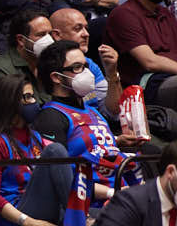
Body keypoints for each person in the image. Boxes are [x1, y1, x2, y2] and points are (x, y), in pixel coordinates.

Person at [34, 40, 134, 203]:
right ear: (56, 77)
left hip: (121, 194)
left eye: (85, 66)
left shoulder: (93, 111)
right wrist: (112, 193)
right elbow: (61, 177)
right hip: (89, 204)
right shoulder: (51, 117)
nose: (86, 73)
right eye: (77, 67)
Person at [0, 74, 71, 226]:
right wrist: (28, 222)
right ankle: (79, 218)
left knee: (102, 214)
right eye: (28, 97)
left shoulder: (35, 137)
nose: (34, 102)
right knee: (56, 151)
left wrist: (110, 192)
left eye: (33, 96)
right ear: (10, 102)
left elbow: (64, 176)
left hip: (43, 205)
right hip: (19, 217)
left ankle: (80, 217)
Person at [0, 8, 55, 94]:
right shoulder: (1, 71)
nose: (49, 39)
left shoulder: (49, 63)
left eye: (50, 34)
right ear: (21, 40)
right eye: (41, 35)